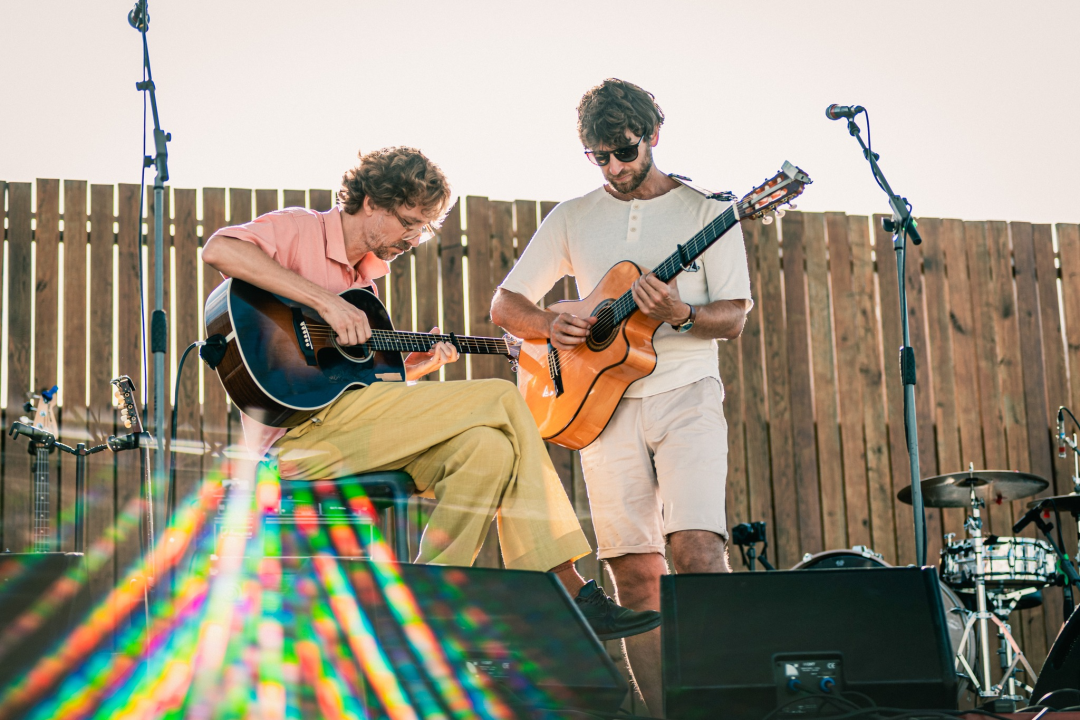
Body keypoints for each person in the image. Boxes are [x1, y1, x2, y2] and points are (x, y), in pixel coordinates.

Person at [201, 145, 660, 642]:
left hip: (346, 433)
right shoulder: (301, 229)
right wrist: (324, 303)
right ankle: (566, 588)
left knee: (489, 450)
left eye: (424, 229)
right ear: (372, 201)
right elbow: (220, 250)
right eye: (409, 222)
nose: (414, 239)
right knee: (503, 400)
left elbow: (352, 386)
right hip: (293, 442)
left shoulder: (365, 284)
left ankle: (430, 600)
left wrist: (415, 369)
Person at [490, 79, 753, 714]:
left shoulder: (706, 213)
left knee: (696, 550)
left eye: (624, 152)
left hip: (686, 391)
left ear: (653, 137)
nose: (613, 168)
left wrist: (682, 313)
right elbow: (506, 303)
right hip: (600, 408)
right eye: (598, 157)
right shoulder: (574, 217)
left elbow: (735, 315)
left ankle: (729, 707)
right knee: (634, 572)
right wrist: (549, 324)